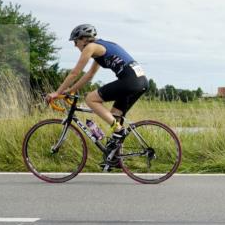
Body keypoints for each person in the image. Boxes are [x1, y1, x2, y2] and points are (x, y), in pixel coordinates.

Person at [46, 24, 149, 166]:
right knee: (114, 115)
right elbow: (89, 75)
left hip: (130, 81)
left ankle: (119, 129)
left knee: (91, 98)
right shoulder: (100, 47)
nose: (75, 46)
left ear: (83, 39)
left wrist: (57, 92)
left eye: (75, 42)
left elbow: (75, 73)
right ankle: (116, 159)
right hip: (140, 81)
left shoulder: (90, 47)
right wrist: (70, 91)